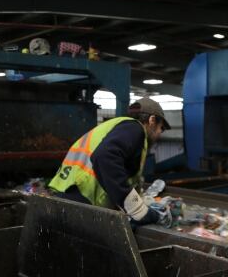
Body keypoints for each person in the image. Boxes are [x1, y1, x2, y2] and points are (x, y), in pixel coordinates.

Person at [49, 97, 171, 226]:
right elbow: (104, 157)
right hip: (81, 198)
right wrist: (136, 208)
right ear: (152, 120)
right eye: (161, 128)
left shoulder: (118, 127)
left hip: (69, 195)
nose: (159, 133)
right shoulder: (135, 129)